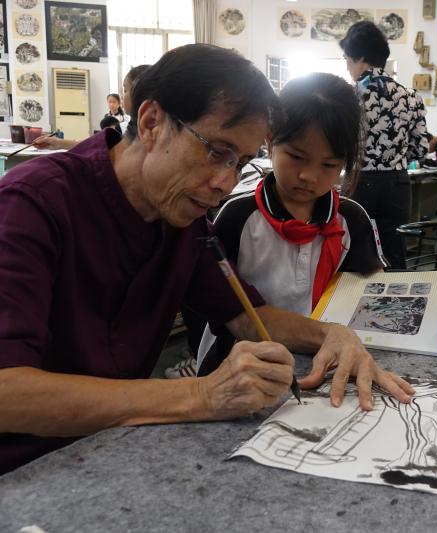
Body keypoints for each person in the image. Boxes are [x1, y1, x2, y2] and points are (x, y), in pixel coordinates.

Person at [0, 44, 414, 475]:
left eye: (241, 163)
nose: (225, 183)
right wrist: (202, 394)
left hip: (112, 450)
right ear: (151, 122)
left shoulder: (183, 219)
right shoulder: (32, 203)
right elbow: (6, 391)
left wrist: (333, 334)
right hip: (24, 472)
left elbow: (247, 315)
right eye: (217, 152)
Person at [193, 72, 437, 375]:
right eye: (296, 156)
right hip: (240, 365)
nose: (309, 176)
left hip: (326, 361)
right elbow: (218, 311)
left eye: (329, 164)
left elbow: (378, 296)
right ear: (270, 139)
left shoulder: (351, 220)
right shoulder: (237, 218)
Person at [340, 20, 428, 269]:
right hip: (397, 185)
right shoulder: (410, 97)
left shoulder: (349, 97)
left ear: (359, 57)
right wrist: (395, 156)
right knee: (395, 254)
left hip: (359, 182)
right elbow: (420, 149)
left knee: (354, 254)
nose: (347, 67)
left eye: (347, 59)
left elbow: (339, 144)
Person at [32, 66, 150, 150]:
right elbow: (95, 144)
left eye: (125, 90)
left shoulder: (130, 129)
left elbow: (96, 145)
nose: (122, 96)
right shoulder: (128, 127)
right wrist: (57, 143)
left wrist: (59, 143)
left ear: (139, 93)